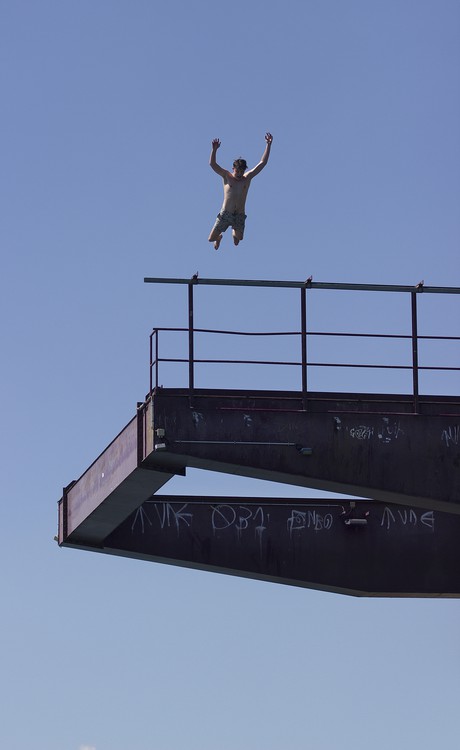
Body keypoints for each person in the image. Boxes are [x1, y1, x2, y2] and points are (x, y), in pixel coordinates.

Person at [208, 132, 273, 250]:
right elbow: (212, 164)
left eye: (241, 172)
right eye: (237, 171)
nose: (239, 174)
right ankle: (218, 238)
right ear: (233, 169)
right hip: (226, 214)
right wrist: (214, 150)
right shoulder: (227, 176)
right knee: (210, 239)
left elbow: (262, 163)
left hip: (239, 214)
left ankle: (234, 232)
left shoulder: (247, 178)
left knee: (239, 239)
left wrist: (268, 145)